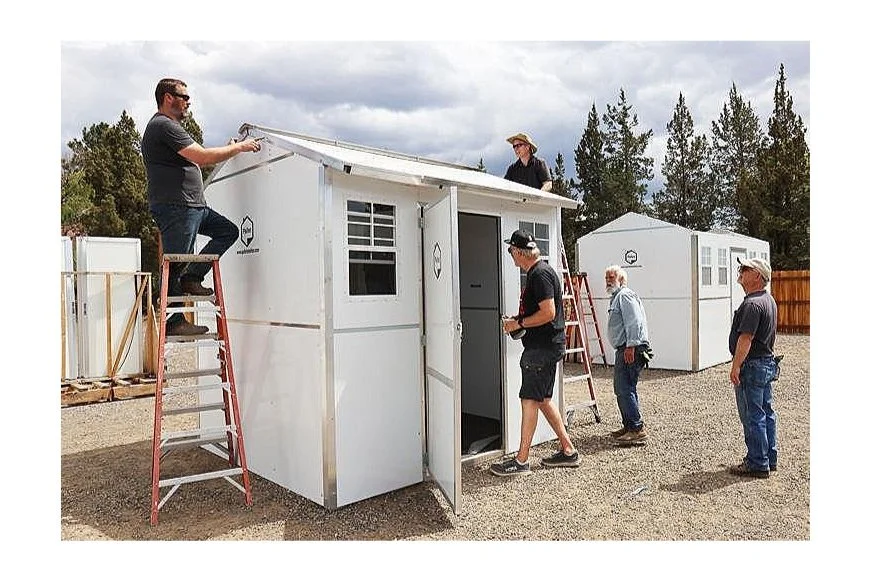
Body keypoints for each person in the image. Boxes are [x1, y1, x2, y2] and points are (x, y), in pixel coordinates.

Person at [142, 78, 262, 335]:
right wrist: (240, 148)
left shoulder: (169, 127)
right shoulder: (162, 125)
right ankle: (174, 324)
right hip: (177, 206)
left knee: (227, 232)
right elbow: (202, 157)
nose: (188, 102)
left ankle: (192, 277)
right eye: (183, 97)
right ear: (167, 97)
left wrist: (229, 149)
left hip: (193, 206)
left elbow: (198, 157)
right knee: (175, 262)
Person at [490, 229, 580, 476]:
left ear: (520, 252)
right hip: (545, 347)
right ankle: (569, 450)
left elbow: (548, 313)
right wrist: (518, 319)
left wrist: (518, 324)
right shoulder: (543, 272)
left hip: (541, 349)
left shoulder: (539, 275)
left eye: (511, 251)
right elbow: (542, 313)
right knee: (542, 399)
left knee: (529, 399)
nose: (510, 256)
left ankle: (521, 461)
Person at [728, 257, 778, 479]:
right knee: (766, 412)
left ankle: (757, 462)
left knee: (752, 415)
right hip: (766, 363)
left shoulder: (752, 304)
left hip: (753, 365)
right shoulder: (767, 300)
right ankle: (769, 457)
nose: (740, 272)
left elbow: (745, 338)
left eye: (745, 269)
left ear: (757, 276)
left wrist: (736, 366)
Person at [605, 265, 652, 445]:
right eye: (607, 278)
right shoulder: (617, 297)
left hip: (629, 347)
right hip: (625, 347)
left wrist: (631, 345)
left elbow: (634, 321)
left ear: (621, 280)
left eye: (612, 277)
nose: (608, 281)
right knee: (624, 388)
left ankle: (636, 429)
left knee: (624, 388)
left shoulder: (624, 295)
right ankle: (629, 424)